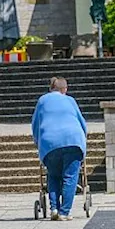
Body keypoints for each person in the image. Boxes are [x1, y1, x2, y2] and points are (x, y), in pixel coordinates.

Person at [32, 77, 88, 220]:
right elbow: (82, 123)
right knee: (70, 177)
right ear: (65, 89)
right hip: (73, 141)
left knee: (54, 175)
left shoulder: (42, 101)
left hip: (49, 143)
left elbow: (35, 124)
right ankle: (65, 212)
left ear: (51, 89)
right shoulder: (70, 100)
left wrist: (38, 142)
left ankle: (54, 209)